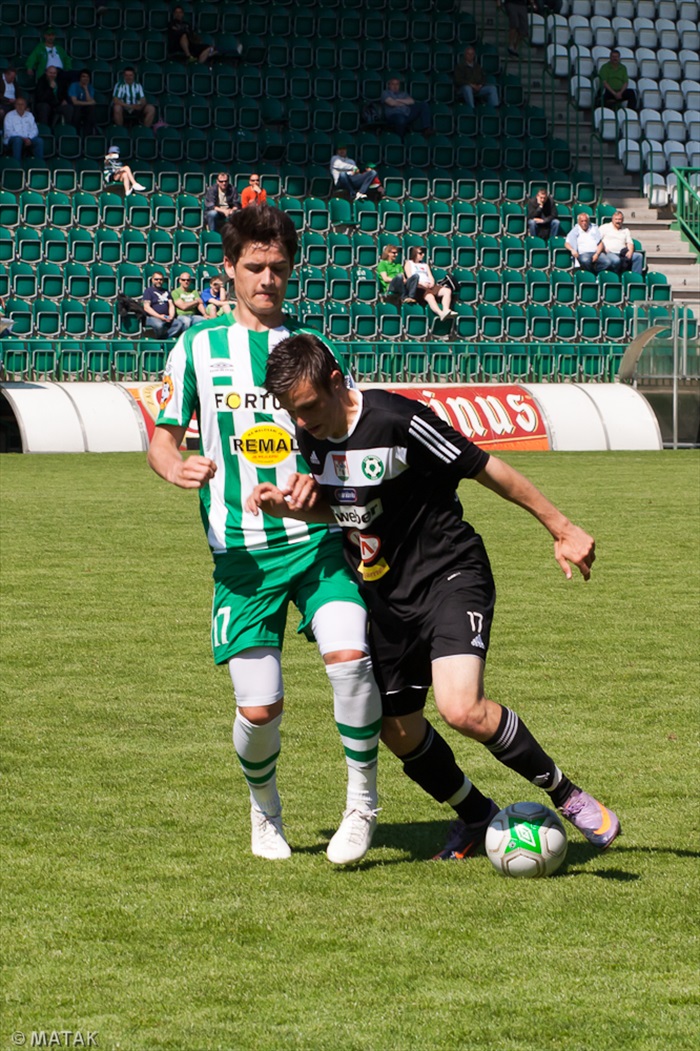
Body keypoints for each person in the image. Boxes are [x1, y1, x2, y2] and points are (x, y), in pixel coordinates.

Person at [248, 334, 622, 859]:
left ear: (336, 382)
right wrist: (289, 508)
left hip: (449, 572)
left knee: (461, 708)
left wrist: (561, 527)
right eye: (292, 412)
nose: (302, 422)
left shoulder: (398, 420)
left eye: (308, 408)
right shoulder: (310, 434)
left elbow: (485, 467)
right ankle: (478, 817)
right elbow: (353, 510)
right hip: (383, 596)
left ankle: (569, 796)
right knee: (397, 730)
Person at [146, 206, 383, 866]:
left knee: (351, 658)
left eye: (279, 267)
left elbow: (351, 436)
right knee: (260, 712)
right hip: (241, 558)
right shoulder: (195, 347)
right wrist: (177, 468)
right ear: (228, 269)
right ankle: (265, 809)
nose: (267, 279)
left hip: (314, 543)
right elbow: (161, 444)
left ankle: (362, 804)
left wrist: (324, 485)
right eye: (254, 267)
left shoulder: (312, 349)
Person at [404, 246, 456, 320]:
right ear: (414, 254)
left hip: (429, 285)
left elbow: (430, 276)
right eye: (420, 253)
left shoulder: (425, 264)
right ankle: (440, 313)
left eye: (423, 253)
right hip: (418, 286)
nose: (423, 255)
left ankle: (446, 310)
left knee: (447, 291)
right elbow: (410, 277)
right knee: (430, 296)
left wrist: (431, 282)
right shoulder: (409, 263)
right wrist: (421, 283)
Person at [142, 272, 189, 339]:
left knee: (179, 324)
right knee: (159, 325)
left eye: (161, 279)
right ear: (152, 280)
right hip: (152, 317)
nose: (159, 281)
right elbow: (146, 307)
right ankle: (160, 341)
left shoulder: (166, 291)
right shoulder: (148, 291)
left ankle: (165, 339)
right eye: (156, 279)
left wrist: (171, 316)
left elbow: (171, 305)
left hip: (166, 317)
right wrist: (159, 316)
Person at [3, 97, 45, 163]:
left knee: (39, 141)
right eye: (18, 104)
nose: (20, 106)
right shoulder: (9, 115)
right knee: (17, 140)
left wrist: (29, 138)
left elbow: (35, 130)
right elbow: (8, 132)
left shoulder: (29, 115)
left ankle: (39, 164)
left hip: (27, 139)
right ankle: (17, 165)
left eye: (22, 104)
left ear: (25, 106)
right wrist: (23, 138)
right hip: (12, 140)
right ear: (15, 105)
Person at [67, 69, 96, 136]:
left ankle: (87, 134)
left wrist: (85, 89)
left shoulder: (90, 87)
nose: (85, 78)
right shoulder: (74, 85)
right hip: (74, 107)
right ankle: (76, 133)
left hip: (85, 108)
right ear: (80, 78)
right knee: (78, 109)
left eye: (87, 77)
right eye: (83, 76)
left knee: (91, 109)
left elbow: (90, 100)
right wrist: (89, 103)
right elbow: (75, 102)